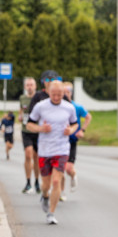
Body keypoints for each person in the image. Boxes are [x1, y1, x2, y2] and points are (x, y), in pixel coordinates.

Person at [27, 78, 78, 225]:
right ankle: (44, 195)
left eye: (59, 95)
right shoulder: (40, 107)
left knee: (56, 181)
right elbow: (29, 124)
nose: (56, 98)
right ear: (48, 92)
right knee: (46, 185)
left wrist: (71, 130)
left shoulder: (69, 108)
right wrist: (41, 129)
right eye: (53, 94)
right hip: (44, 150)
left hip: (62, 149)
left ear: (63, 93)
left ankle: (51, 213)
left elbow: (75, 125)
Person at [61, 82, 91, 196]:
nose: (65, 94)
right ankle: (61, 192)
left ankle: (73, 176)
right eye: (63, 92)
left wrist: (82, 130)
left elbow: (88, 117)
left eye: (67, 92)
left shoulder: (77, 107)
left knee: (68, 169)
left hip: (72, 141)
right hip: (60, 141)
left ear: (71, 93)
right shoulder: (58, 107)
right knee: (60, 169)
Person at [19, 77, 42, 194]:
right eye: (27, 85)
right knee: (28, 154)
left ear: (35, 86)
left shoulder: (39, 98)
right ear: (25, 87)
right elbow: (21, 111)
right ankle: (28, 182)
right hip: (26, 130)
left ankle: (37, 181)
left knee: (36, 157)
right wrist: (20, 117)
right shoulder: (22, 98)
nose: (29, 87)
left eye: (31, 85)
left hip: (37, 131)